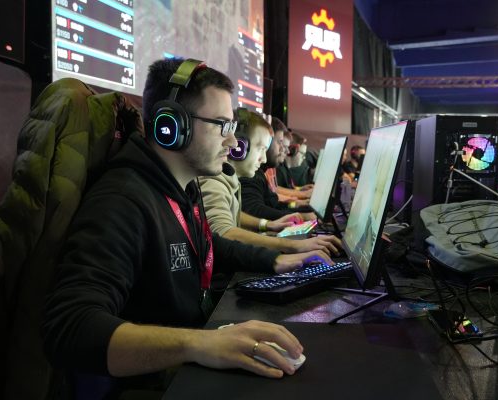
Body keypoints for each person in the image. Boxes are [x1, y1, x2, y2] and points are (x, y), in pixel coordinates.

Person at [42, 59, 317, 396]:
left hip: (187, 361)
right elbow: (69, 327)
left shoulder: (181, 188)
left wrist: (277, 259)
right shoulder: (123, 201)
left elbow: (210, 245)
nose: (233, 143)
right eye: (221, 126)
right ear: (170, 126)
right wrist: (199, 344)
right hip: (156, 383)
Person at [199, 108, 341, 255]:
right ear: (239, 148)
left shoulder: (229, 179)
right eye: (261, 149)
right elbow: (223, 231)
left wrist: (267, 224)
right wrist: (292, 246)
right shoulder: (213, 181)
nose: (264, 159)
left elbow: (233, 214)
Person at [240, 118, 317, 221]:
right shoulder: (250, 175)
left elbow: (274, 203)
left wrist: (298, 208)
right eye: (280, 142)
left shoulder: (259, 174)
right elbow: (255, 210)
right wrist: (300, 216)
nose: (285, 150)